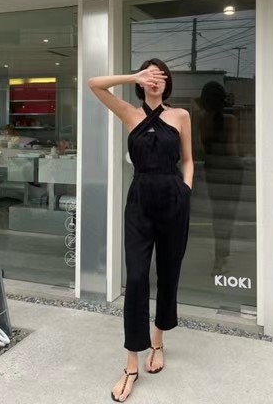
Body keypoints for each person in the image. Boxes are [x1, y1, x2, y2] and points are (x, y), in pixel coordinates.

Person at [88, 58, 193, 402]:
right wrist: (134, 75)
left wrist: (186, 190)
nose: (155, 80)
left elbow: (188, 160)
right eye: (149, 75)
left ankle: (158, 341)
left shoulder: (180, 116)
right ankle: (131, 364)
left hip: (173, 200)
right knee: (135, 279)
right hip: (140, 203)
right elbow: (94, 84)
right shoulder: (129, 113)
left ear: (167, 83)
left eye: (160, 76)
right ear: (141, 81)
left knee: (168, 272)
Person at [194, 81, 242, 275]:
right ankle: (223, 258)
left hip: (212, 169)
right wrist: (244, 162)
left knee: (218, 215)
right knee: (228, 216)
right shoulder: (231, 120)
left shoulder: (202, 119)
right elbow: (232, 149)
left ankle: (219, 259)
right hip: (231, 170)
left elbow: (202, 147)